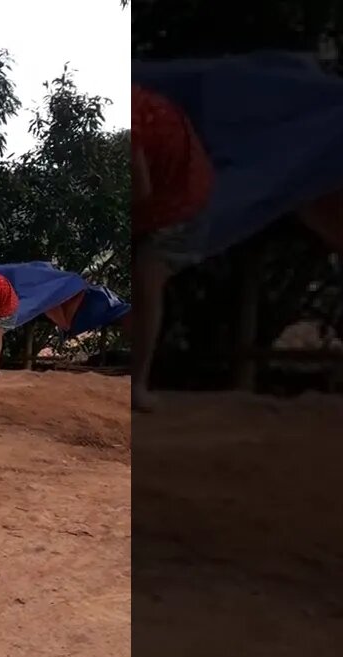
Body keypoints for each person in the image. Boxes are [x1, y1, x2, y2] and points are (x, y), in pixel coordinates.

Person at [133, 84, 215, 412]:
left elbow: (140, 189)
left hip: (180, 203)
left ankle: (137, 385)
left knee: (146, 285)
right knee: (139, 286)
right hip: (169, 195)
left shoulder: (128, 120)